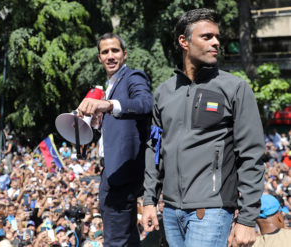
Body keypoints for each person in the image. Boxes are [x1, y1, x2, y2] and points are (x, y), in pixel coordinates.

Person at [142, 8, 265, 247]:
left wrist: (248, 219)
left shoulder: (236, 88)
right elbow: (154, 149)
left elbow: (251, 155)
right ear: (184, 41)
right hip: (170, 212)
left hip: (211, 211)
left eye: (217, 36)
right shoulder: (163, 92)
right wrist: (149, 200)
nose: (216, 42)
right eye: (207, 37)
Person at [77, 32, 153, 246]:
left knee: (116, 241)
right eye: (105, 52)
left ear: (125, 54)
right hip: (111, 171)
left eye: (115, 50)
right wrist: (97, 123)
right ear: (99, 58)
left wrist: (108, 105)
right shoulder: (108, 87)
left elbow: (146, 103)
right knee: (125, 238)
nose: (110, 56)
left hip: (123, 174)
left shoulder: (133, 77)